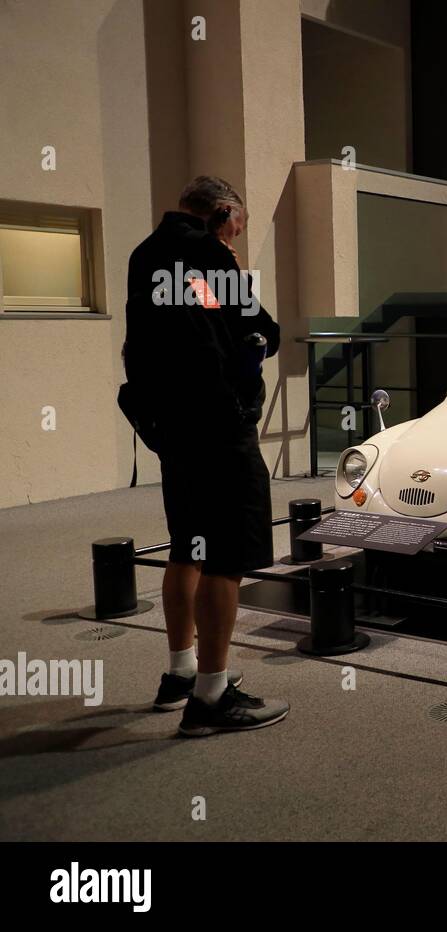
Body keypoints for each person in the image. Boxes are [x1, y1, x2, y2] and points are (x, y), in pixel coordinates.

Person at [121, 176, 289, 737]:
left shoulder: (145, 253)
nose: (237, 235)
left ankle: (181, 673)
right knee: (226, 559)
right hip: (219, 428)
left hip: (172, 429)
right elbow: (263, 330)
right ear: (222, 214)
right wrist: (233, 272)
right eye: (237, 225)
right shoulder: (209, 255)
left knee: (187, 547)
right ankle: (212, 697)